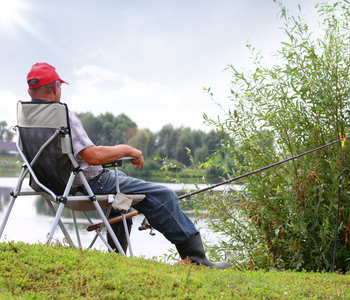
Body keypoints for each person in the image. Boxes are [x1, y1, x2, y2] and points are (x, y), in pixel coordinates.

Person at [26, 62, 230, 269]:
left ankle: (117, 255)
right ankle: (197, 260)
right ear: (55, 87)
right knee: (163, 194)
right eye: (60, 85)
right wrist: (127, 149)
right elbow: (93, 156)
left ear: (29, 90)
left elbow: (83, 153)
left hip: (54, 187)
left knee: (122, 193)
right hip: (89, 185)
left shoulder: (28, 119)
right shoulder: (62, 115)